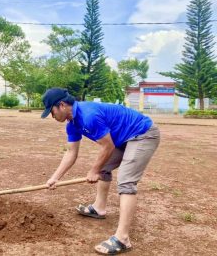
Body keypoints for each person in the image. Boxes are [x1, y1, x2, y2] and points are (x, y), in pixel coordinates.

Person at [42, 88, 160, 255]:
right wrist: (55, 178)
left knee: (126, 181)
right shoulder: (73, 123)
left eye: (51, 112)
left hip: (142, 133)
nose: (52, 116)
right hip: (122, 138)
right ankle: (99, 208)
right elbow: (71, 153)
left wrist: (93, 170)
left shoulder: (89, 115)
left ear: (61, 105)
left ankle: (123, 238)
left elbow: (108, 146)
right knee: (104, 168)